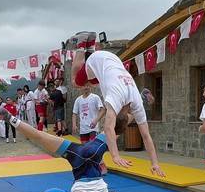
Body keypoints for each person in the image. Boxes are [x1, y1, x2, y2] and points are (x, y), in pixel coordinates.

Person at [0, 106, 129, 192]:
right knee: (39, 136)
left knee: (114, 132)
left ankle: (132, 107)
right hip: (77, 157)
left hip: (94, 153)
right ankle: (8, 117)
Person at [68, 32, 165, 177]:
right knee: (76, 82)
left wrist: (155, 163)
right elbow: (108, 128)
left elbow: (146, 136)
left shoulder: (136, 103)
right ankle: (82, 46)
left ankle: (90, 48)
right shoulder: (115, 98)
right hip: (99, 61)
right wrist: (115, 156)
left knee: (90, 83)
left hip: (112, 62)